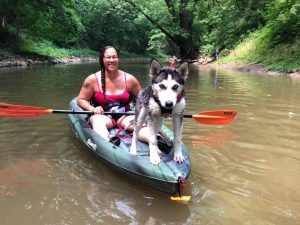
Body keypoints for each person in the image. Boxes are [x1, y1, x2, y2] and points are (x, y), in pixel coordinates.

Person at [77, 46, 142, 142]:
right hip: (103, 116)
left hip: (125, 115)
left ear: (118, 59)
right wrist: (92, 109)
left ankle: (157, 140)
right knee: (97, 121)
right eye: (108, 57)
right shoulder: (91, 80)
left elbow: (143, 99)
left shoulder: (130, 79)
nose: (111, 60)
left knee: (140, 124)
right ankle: (108, 142)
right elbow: (81, 99)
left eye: (114, 57)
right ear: (102, 59)